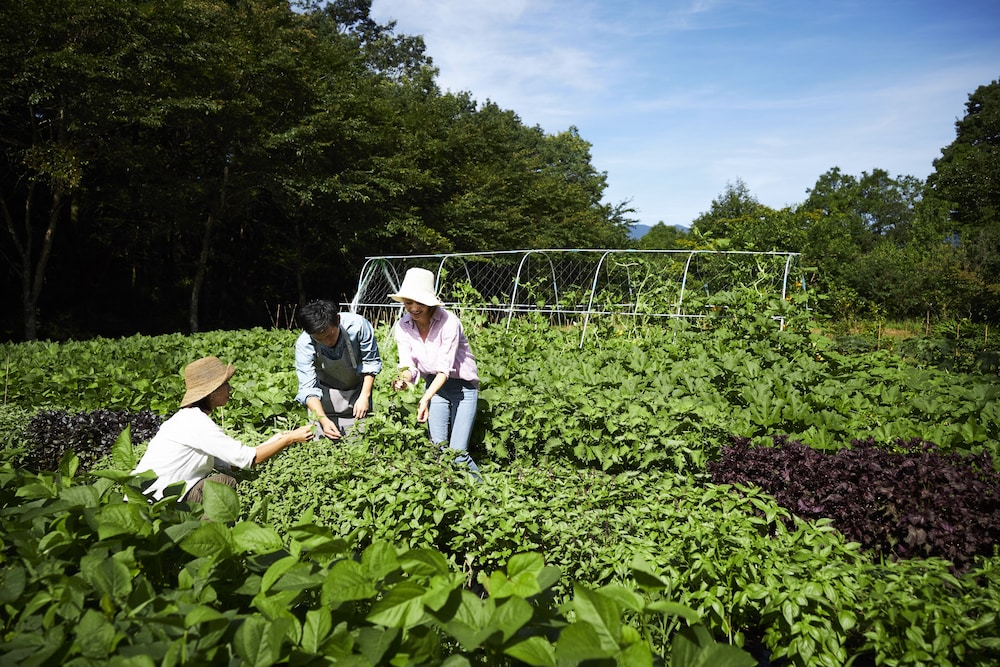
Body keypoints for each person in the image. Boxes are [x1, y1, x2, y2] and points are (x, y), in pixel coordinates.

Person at [133, 356, 314, 502]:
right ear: (212, 392)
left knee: (223, 479)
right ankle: (210, 539)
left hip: (144, 496)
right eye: (225, 384)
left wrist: (274, 440)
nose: (230, 388)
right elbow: (249, 459)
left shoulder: (186, 419)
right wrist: (290, 439)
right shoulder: (196, 422)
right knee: (223, 483)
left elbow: (231, 464)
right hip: (154, 503)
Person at [389, 267, 481, 478]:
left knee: (458, 453)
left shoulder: (449, 322)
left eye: (419, 302)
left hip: (462, 388)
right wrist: (403, 380)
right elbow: (408, 365)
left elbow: (444, 369)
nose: (413, 308)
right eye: (408, 302)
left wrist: (424, 399)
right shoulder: (403, 326)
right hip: (435, 387)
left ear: (430, 302)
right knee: (437, 449)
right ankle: (447, 490)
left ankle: (484, 496)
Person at [294, 299, 382, 439]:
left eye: (330, 335)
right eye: (319, 339)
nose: (327, 342)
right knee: (322, 447)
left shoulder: (358, 326)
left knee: (360, 443)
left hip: (357, 397)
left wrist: (365, 396)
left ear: (338, 320)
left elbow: (370, 363)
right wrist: (323, 420)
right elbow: (307, 388)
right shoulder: (304, 344)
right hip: (323, 400)